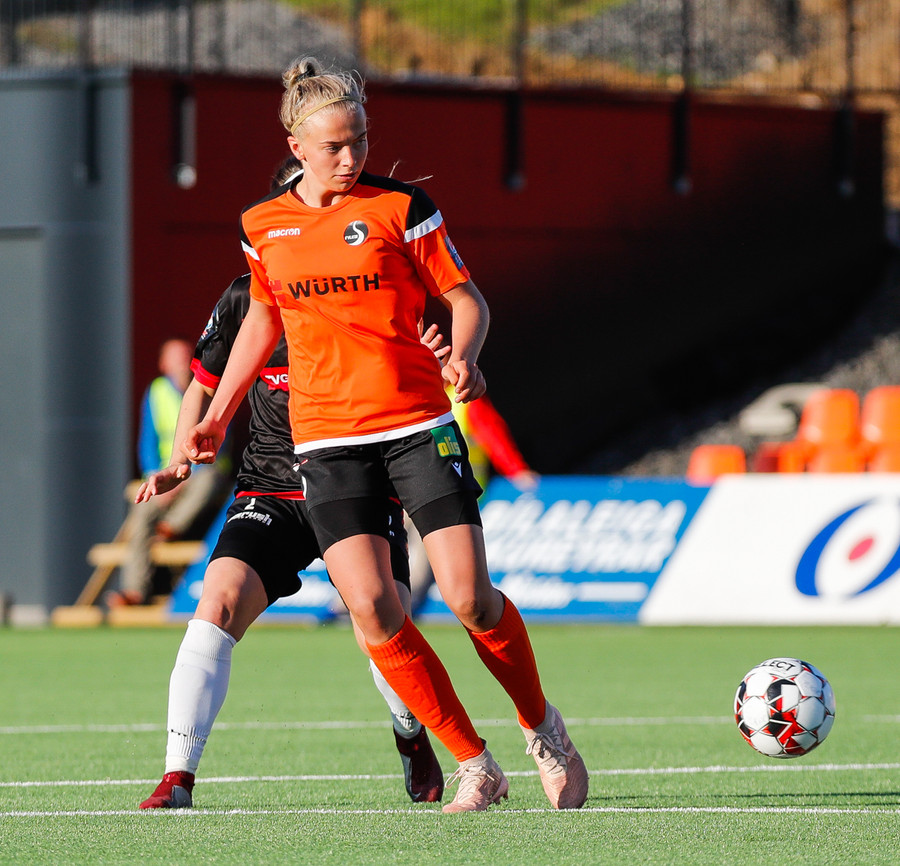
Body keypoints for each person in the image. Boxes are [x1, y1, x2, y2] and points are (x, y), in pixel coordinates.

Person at [184, 56, 588, 813]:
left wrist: (463, 357)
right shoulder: (261, 225)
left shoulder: (402, 207)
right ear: (296, 147)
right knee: (372, 607)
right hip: (326, 441)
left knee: (469, 599)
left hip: (417, 428)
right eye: (334, 146)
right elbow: (261, 322)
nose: (351, 157)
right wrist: (215, 416)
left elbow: (466, 301)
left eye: (360, 141)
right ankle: (474, 763)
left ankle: (544, 730)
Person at [137, 160, 446, 811]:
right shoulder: (243, 298)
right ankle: (177, 778)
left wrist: (447, 359)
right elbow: (203, 384)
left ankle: (411, 734)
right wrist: (181, 459)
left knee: (381, 621)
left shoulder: (374, 284)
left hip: (356, 481)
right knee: (217, 602)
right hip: (271, 487)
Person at [109, 338, 231, 607]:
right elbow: (148, 442)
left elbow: (222, 440)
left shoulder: (212, 388)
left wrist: (184, 473)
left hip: (203, 472)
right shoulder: (156, 392)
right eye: (175, 357)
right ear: (163, 364)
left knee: (207, 481)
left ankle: (171, 527)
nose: (182, 362)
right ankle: (135, 590)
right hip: (169, 475)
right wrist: (157, 476)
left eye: (186, 355)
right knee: (141, 510)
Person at [408, 388, 539, 615]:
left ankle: (390, 613)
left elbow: (491, 432)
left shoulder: (427, 393)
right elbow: (492, 432)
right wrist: (516, 470)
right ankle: (398, 613)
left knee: (403, 558)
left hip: (423, 492)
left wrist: (515, 469)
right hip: (439, 495)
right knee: (418, 562)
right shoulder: (458, 397)